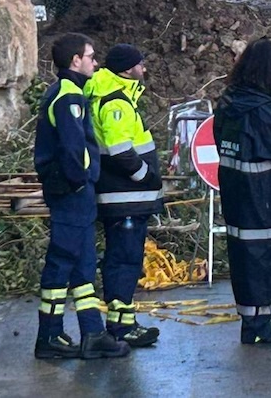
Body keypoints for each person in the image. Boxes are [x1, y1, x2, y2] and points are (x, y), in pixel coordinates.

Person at [32, 33, 130, 360]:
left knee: (84, 263)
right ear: (76, 60)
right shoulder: (69, 96)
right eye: (90, 56)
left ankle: (92, 332)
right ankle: (50, 335)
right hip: (72, 193)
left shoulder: (69, 93)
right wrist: (79, 182)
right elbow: (73, 149)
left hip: (76, 192)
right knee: (62, 262)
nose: (94, 62)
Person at [214, 38, 271, 344]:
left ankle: (253, 320)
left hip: (235, 191)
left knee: (245, 256)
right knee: (266, 256)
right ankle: (259, 324)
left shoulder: (228, 102)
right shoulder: (263, 108)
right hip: (265, 195)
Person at [84, 43, 164, 347]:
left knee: (124, 259)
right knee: (124, 260)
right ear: (127, 69)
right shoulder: (116, 103)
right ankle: (120, 327)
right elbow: (121, 151)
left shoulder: (112, 96)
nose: (144, 70)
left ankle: (123, 322)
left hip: (124, 197)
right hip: (125, 197)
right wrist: (146, 176)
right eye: (140, 65)